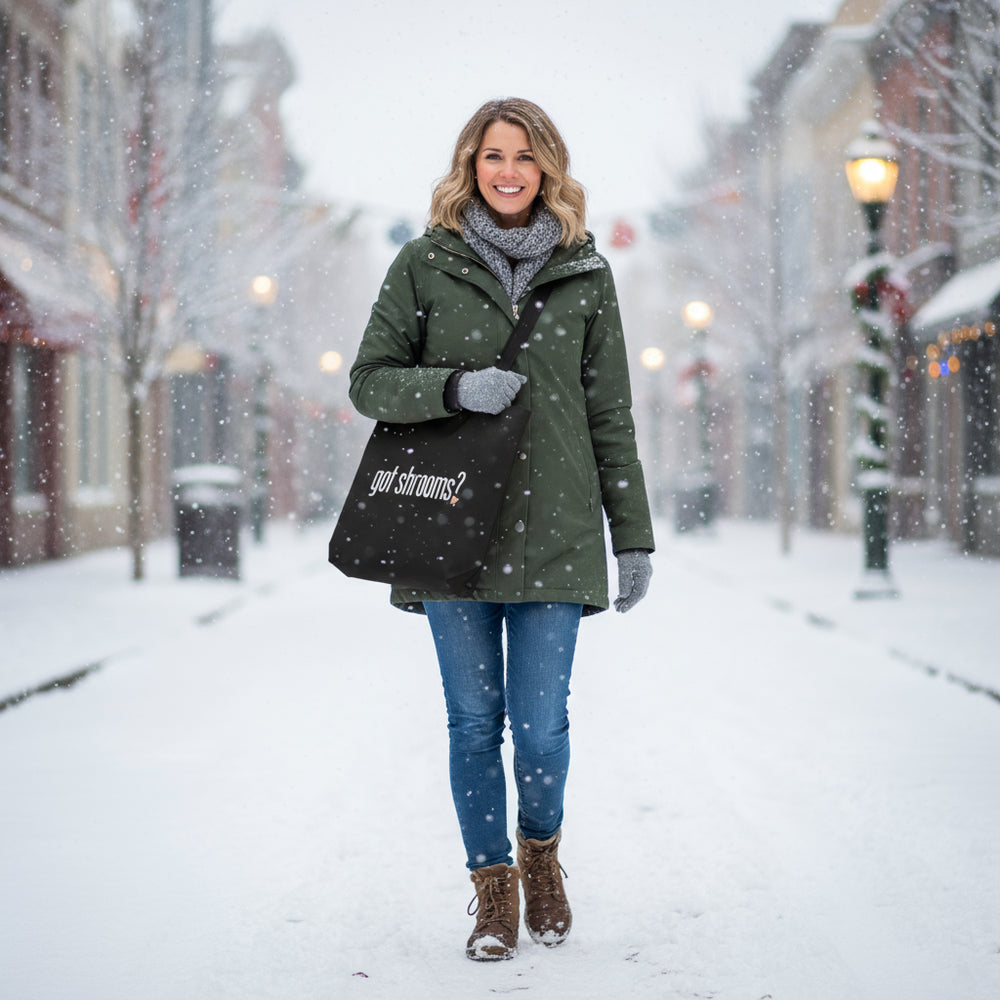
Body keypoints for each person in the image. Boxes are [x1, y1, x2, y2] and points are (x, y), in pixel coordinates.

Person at [348, 97, 655, 961]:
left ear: (548, 167)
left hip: (557, 532)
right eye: (493, 156)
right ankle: (492, 892)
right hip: (450, 529)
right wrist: (450, 388)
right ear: (469, 165)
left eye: (524, 156)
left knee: (543, 725)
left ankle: (542, 860)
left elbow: (612, 416)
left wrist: (631, 535)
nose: (508, 170)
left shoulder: (587, 275)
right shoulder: (423, 264)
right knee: (474, 725)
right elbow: (369, 381)